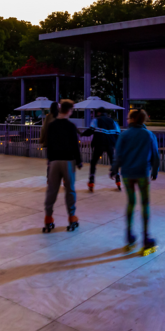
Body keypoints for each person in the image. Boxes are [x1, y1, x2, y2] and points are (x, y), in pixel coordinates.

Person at [110, 109, 159, 255]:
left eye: (128, 118)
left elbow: (118, 155)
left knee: (130, 203)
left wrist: (114, 169)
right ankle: (146, 239)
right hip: (142, 174)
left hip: (127, 174)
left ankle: (130, 237)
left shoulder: (124, 135)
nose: (126, 120)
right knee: (145, 204)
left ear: (132, 119)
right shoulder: (149, 135)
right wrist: (155, 170)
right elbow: (155, 154)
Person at [42, 99, 82, 233]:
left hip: (54, 161)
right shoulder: (71, 126)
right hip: (68, 161)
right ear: (69, 110)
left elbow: (49, 143)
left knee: (52, 190)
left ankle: (48, 218)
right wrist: (79, 160)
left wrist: (49, 160)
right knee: (69, 189)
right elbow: (75, 146)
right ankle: (72, 217)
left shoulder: (51, 125)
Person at [87, 107, 121, 192]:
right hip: (110, 144)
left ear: (98, 113)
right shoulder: (113, 121)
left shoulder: (96, 120)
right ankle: (118, 180)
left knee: (93, 162)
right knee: (113, 161)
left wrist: (82, 134)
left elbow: (90, 130)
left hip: (99, 144)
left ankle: (91, 181)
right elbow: (117, 133)